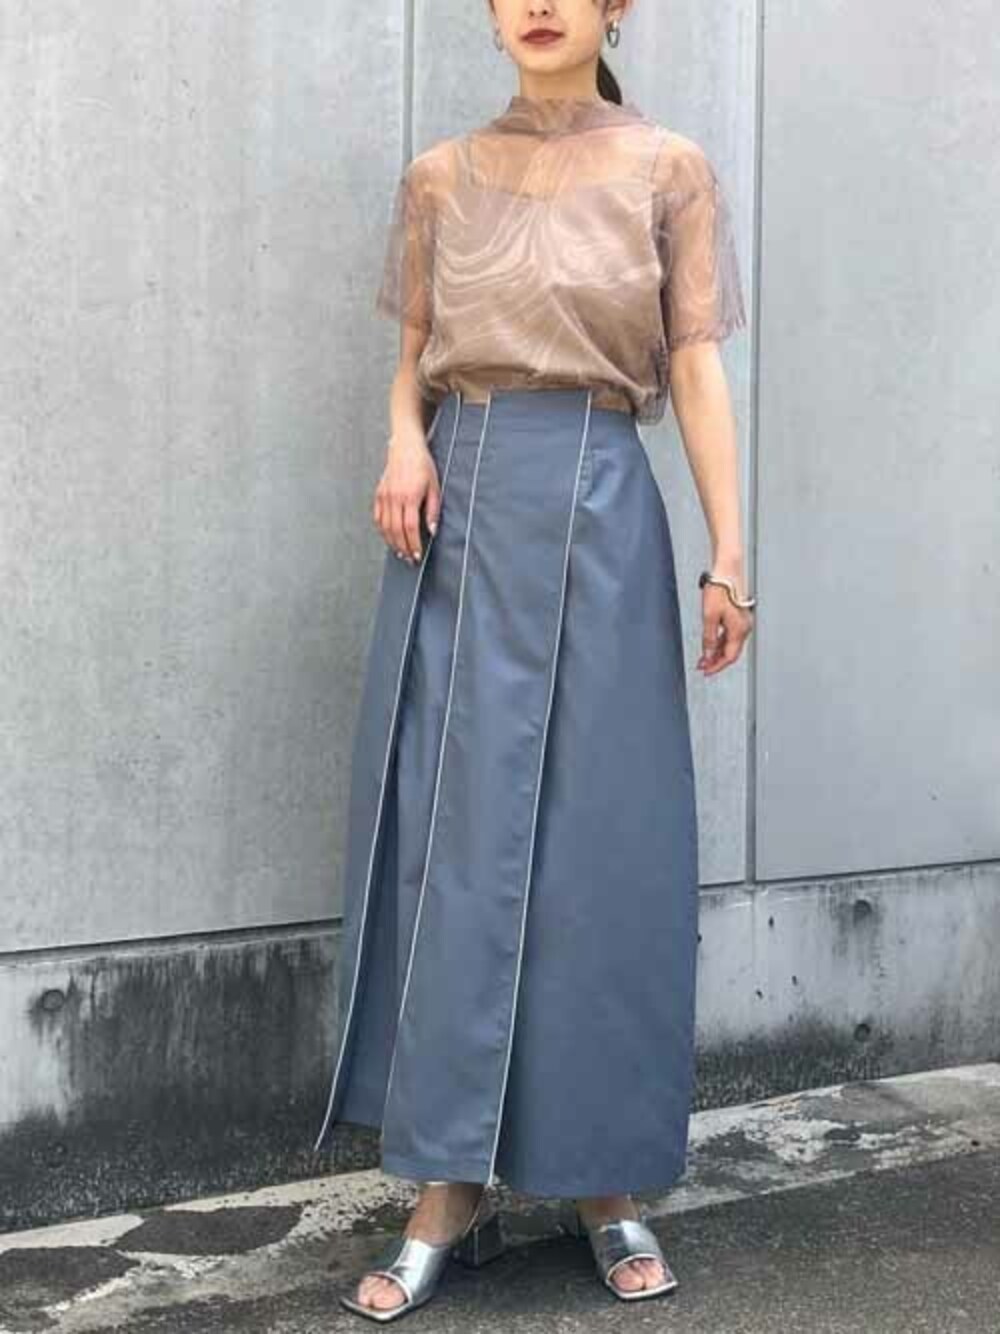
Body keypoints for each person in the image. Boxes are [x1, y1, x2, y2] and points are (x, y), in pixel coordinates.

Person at [316, 0, 756, 1320]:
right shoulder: (439, 177)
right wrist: (405, 441)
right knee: (451, 847)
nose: (540, 4)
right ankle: (446, 1186)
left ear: (617, 6)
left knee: (598, 851)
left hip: (604, 508)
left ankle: (605, 1182)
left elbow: (694, 366)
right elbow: (410, 362)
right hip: (456, 513)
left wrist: (730, 553)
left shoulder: (669, 168)